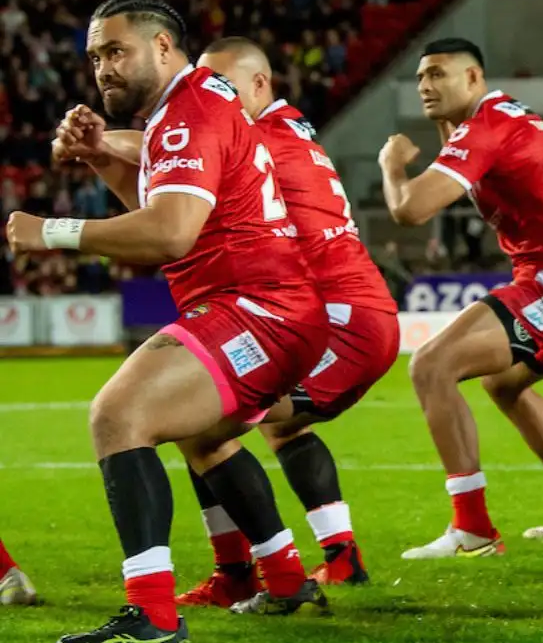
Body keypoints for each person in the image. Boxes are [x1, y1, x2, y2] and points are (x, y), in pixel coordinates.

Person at [7, 0, 332, 643]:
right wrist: (102, 155)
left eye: (117, 51)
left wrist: (53, 231)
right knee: (203, 437)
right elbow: (168, 207)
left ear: (162, 46)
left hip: (256, 309)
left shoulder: (185, 113)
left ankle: (151, 614)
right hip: (277, 311)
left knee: (117, 415)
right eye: (96, 55)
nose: (103, 68)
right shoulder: (192, 106)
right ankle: (286, 576)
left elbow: (170, 233)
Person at [60, 37, 398, 609]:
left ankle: (269, 569)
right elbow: (159, 187)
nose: (211, 98)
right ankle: (290, 565)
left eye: (222, 86)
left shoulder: (254, 136)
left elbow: (166, 150)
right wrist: (101, 153)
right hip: (331, 310)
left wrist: (100, 144)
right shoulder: (282, 131)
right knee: (214, 423)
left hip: (341, 317)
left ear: (259, 85)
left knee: (200, 418)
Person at [379, 38, 543, 557]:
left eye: (438, 74)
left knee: (429, 367)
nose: (425, 86)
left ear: (473, 79)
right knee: (504, 386)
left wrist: (392, 165)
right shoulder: (495, 121)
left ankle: (473, 529)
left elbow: (410, 210)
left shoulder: (487, 126)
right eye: (421, 77)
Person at [0, 536, 36, 605]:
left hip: (10, 579)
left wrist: (30, 590)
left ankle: (25, 594)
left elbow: (14, 570)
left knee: (6, 600)